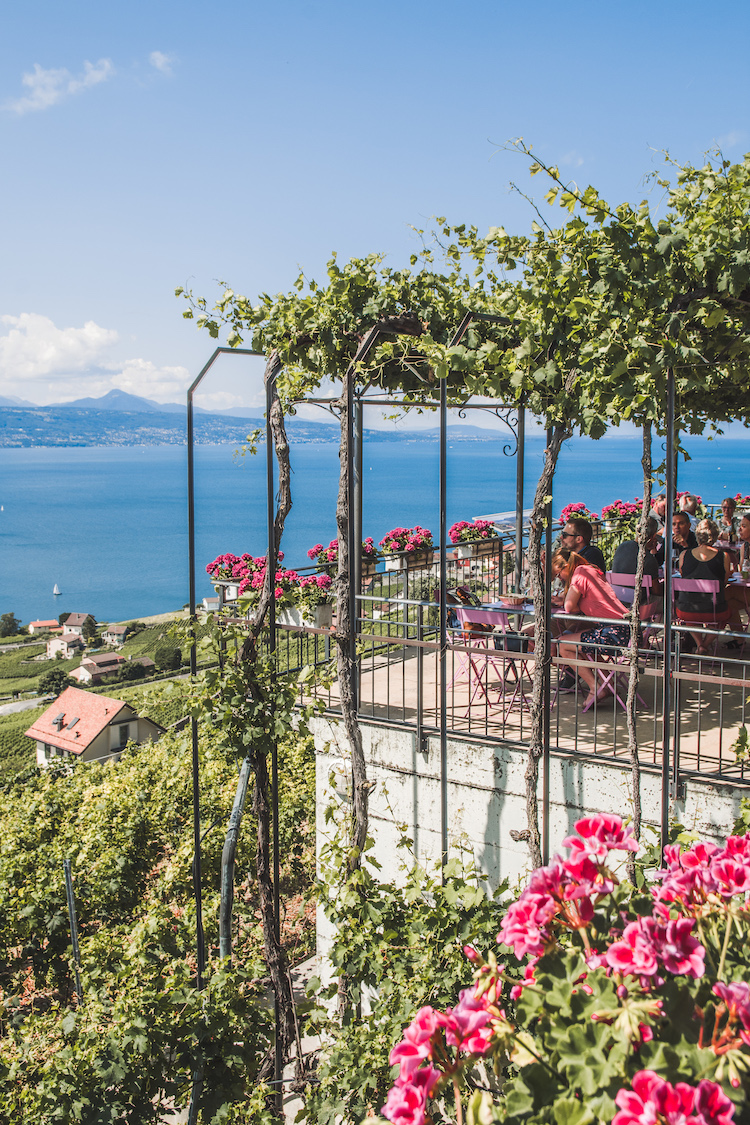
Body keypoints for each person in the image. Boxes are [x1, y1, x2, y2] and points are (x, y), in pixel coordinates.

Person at [551, 548, 630, 708]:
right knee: (583, 645)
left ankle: (595, 688)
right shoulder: (590, 569)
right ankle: (608, 683)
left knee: (563, 644)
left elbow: (569, 607)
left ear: (566, 567)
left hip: (614, 633)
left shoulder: (579, 573)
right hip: (625, 630)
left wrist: (565, 600)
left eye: (559, 574)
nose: (560, 579)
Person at [676, 519, 732, 654]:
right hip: (713, 611)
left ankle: (700, 644)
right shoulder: (723, 556)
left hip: (686, 610)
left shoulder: (684, 555)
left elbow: (683, 575)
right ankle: (704, 644)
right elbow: (723, 582)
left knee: (689, 614)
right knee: (727, 612)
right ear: (716, 535)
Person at [611, 517, 662, 609]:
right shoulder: (648, 559)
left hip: (619, 599)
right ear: (653, 536)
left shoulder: (622, 547)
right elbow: (657, 591)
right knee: (670, 603)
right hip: (639, 603)